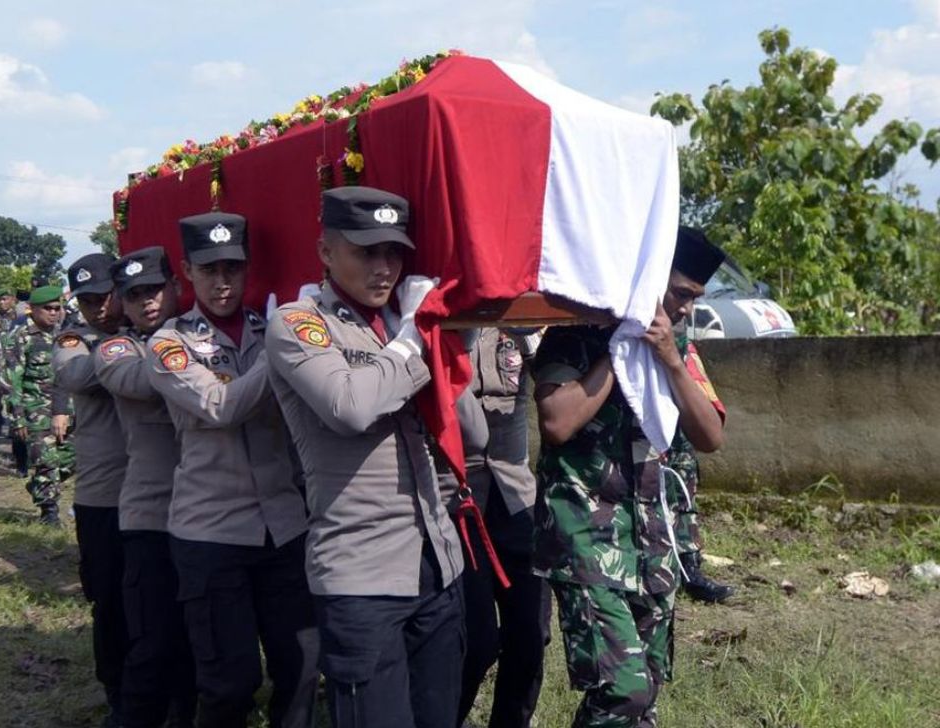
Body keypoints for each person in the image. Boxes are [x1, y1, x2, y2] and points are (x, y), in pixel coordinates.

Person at [265, 186, 465, 726]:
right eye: (367, 252)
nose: (384, 268)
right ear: (327, 253)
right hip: (362, 576)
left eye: (394, 253)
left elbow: (466, 428)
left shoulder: (398, 320)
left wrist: (447, 339)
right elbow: (349, 406)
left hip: (436, 561)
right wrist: (411, 339)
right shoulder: (299, 323)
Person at [532, 225, 728, 726]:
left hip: (652, 545)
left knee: (647, 691)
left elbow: (709, 435)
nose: (685, 308)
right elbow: (558, 421)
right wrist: (624, 348)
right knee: (623, 692)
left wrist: (668, 360)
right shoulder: (576, 330)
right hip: (587, 539)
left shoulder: (677, 344)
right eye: (681, 293)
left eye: (694, 298)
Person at [147, 212, 319, 728]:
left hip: (285, 526)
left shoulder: (270, 327)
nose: (223, 282)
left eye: (233, 268)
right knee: (231, 681)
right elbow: (221, 406)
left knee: (304, 666)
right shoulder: (168, 343)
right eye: (209, 270)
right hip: (213, 533)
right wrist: (282, 351)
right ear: (186, 273)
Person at [93, 248, 196, 728]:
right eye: (135, 296)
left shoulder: (203, 335)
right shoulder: (116, 350)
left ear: (174, 286)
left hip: (210, 513)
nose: (147, 303)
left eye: (154, 290)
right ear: (121, 303)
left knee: (202, 638)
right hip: (151, 515)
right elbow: (148, 381)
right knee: (152, 640)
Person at [456, 328, 553, 728]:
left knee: (531, 633)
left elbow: (555, 376)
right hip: (457, 497)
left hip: (516, 493)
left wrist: (530, 338)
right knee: (473, 641)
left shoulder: (522, 319)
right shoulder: (440, 315)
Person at [51, 253, 131, 725]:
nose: (98, 308)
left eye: (104, 296)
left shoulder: (151, 329)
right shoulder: (74, 340)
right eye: (87, 301)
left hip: (161, 490)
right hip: (104, 492)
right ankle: (117, 688)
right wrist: (129, 345)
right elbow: (75, 375)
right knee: (110, 599)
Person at [0, 285, 75, 525]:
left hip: (65, 409)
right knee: (47, 461)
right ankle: (49, 512)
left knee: (73, 458)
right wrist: (17, 417)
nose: (54, 313)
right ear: (33, 310)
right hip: (35, 410)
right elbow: (11, 379)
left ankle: (39, 486)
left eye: (57, 308)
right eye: (48, 308)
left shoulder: (65, 335)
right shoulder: (21, 337)